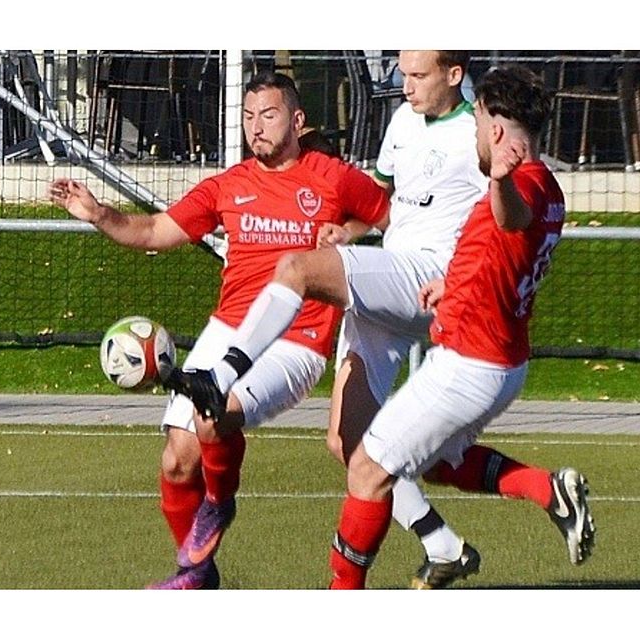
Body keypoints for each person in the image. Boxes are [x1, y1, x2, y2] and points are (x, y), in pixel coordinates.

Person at [48, 71, 390, 589]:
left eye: (269, 115)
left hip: (295, 342)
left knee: (215, 418)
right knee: (176, 462)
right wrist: (97, 213)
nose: (257, 127)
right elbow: (156, 232)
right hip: (227, 330)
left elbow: (393, 217)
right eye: (249, 117)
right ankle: (199, 577)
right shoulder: (229, 185)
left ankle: (220, 501)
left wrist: (350, 231)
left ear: (297, 121)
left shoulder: (333, 176)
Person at [168, 50, 492, 589]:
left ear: (454, 75)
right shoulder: (403, 121)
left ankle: (221, 377)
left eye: (416, 75)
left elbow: (499, 216)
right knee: (352, 445)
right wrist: (352, 233)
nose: (403, 85)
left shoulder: (477, 134)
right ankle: (444, 542)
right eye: (402, 73)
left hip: (430, 283)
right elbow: (385, 205)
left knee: (295, 268)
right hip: (391, 272)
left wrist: (465, 278)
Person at [325, 64, 596, 588]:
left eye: (477, 127)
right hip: (498, 361)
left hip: (468, 363)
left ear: (495, 132)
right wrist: (455, 283)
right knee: (437, 464)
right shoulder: (549, 186)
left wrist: (498, 182)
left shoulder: (523, 185)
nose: (473, 135)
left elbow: (512, 219)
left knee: (366, 468)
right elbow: (505, 253)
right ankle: (547, 490)